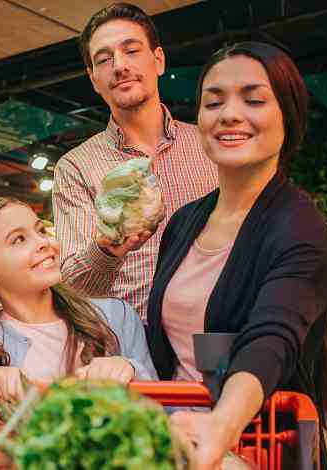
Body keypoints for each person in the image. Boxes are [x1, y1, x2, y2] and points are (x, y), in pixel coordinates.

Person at [144, 42, 327, 470]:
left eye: (253, 100)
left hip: (257, 452)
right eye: (213, 102)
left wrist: (222, 425)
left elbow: (271, 339)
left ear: (287, 116)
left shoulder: (299, 228)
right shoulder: (183, 223)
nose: (230, 114)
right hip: (175, 449)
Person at [53, 2, 217, 322]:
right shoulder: (76, 167)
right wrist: (107, 247)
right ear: (94, 79)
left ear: (158, 60)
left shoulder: (209, 146)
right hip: (128, 345)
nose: (119, 66)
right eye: (104, 59)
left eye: (131, 50)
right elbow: (72, 289)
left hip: (212, 331)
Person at [0, 197, 157, 401]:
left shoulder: (116, 315)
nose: (43, 242)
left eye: (41, 231)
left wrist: (130, 369)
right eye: (18, 239)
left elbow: (164, 411)